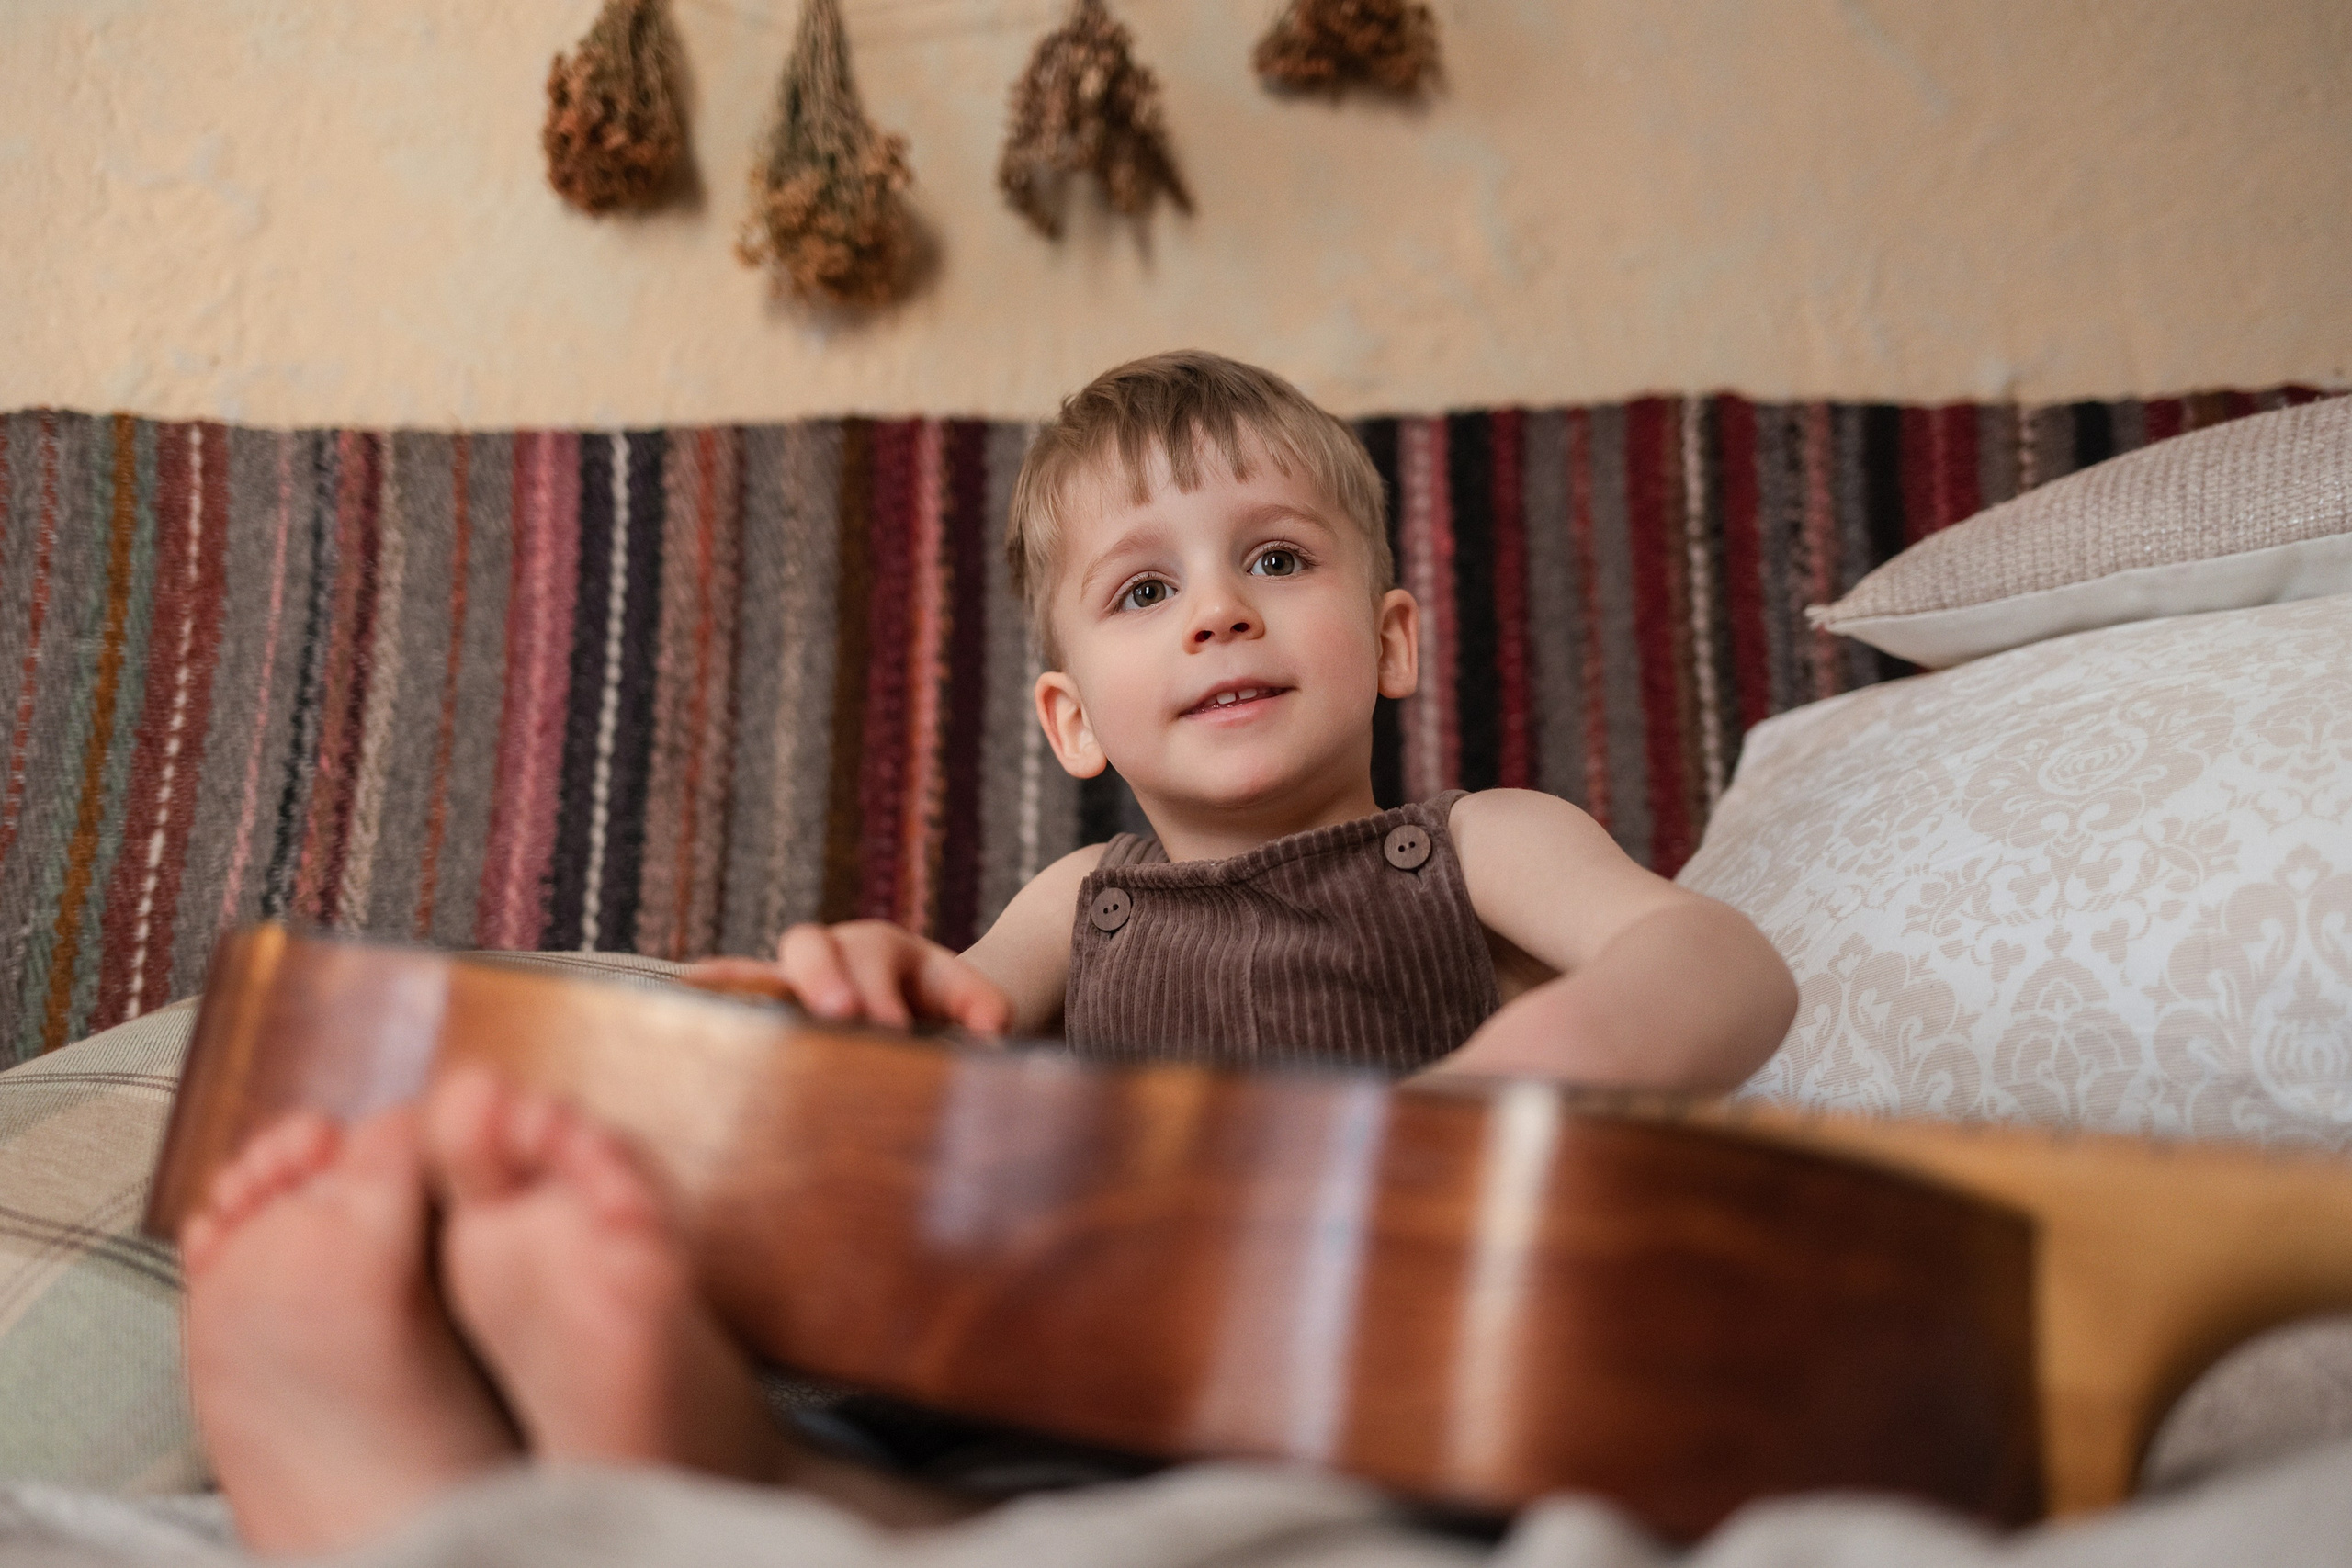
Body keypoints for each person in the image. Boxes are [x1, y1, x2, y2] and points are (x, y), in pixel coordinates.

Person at [178, 351, 1795, 1555]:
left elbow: (1722, 962)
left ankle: (681, 1492)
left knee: (1329, 1492)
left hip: (1363, 1361)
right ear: (1072, 717)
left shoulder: (1477, 843)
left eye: (1279, 560)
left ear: (1390, 639)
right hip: (1068, 1365)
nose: (1220, 612)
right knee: (935, 1437)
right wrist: (855, 1007)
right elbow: (930, 1073)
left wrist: (1537, 1069)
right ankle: (662, 1458)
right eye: (1148, 587)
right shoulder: (1073, 899)